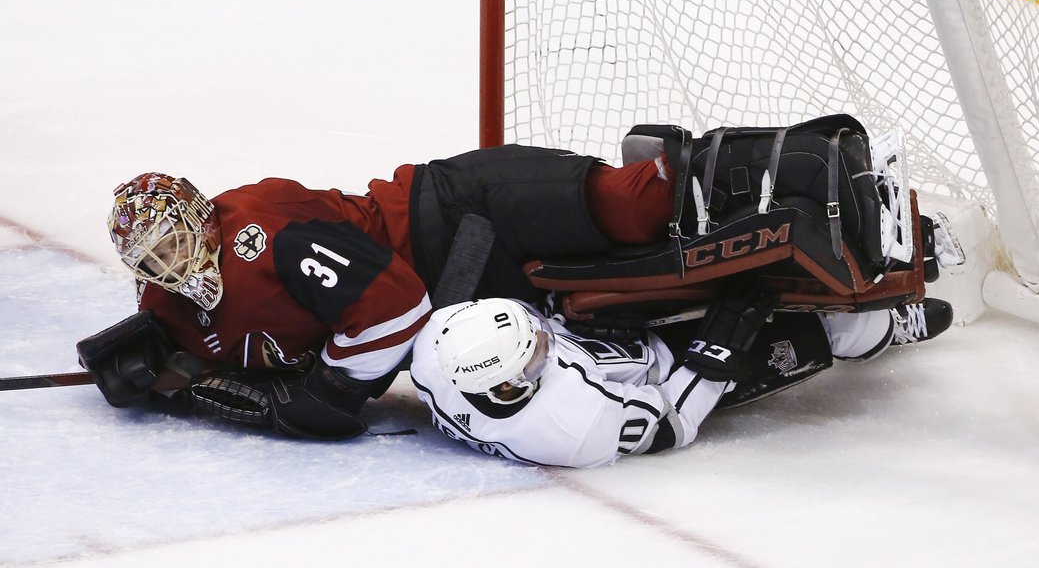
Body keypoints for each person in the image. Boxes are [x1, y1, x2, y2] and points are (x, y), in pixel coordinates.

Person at [84, 146, 678, 440]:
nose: (172, 263)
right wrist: (168, 381)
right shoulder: (164, 304)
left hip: (454, 214)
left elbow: (396, 307)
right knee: (631, 297)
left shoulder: (264, 233)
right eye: (152, 259)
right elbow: (204, 359)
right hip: (464, 294)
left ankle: (755, 177)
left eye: (176, 242)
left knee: (635, 208)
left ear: (202, 218)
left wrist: (332, 388)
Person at [410, 294, 954, 468]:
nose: (542, 350)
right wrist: (715, 353)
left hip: (605, 339)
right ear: (510, 388)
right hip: (664, 371)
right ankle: (879, 326)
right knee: (800, 336)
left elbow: (527, 325)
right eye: (535, 360)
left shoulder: (444, 346)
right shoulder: (570, 429)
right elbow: (671, 423)